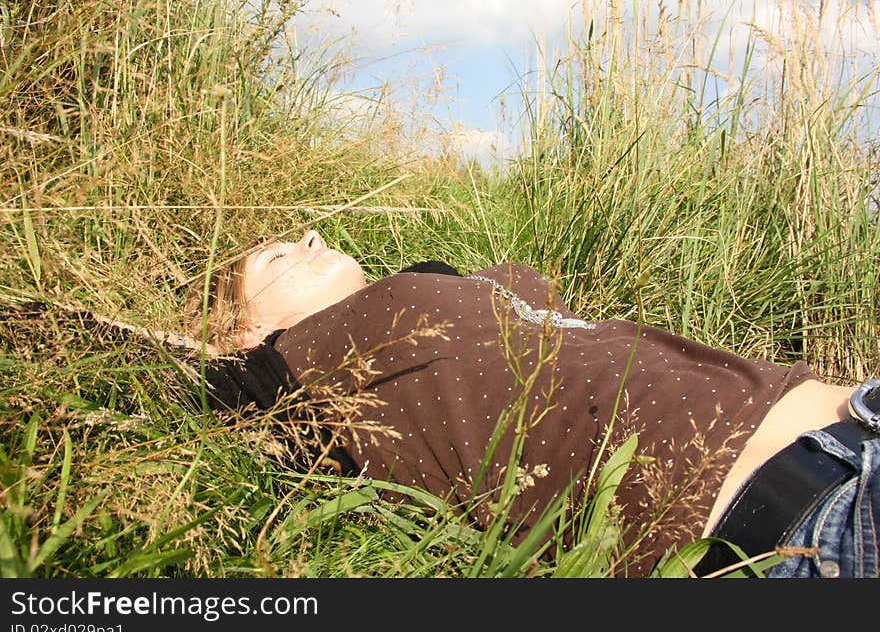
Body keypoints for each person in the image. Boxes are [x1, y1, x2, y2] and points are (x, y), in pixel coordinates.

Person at [185, 229, 880, 578]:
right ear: (241, 333)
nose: (310, 239)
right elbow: (149, 361)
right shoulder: (300, 366)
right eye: (278, 260)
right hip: (810, 519)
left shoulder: (438, 302)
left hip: (854, 417)